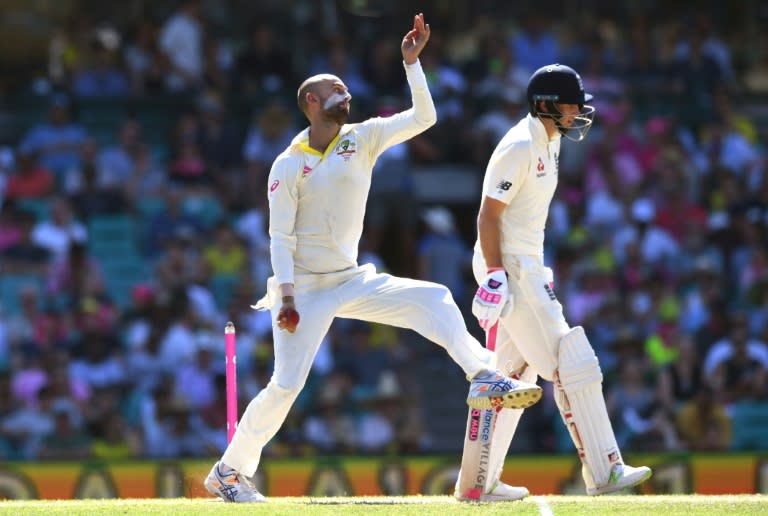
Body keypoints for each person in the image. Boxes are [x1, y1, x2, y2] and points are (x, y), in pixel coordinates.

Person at [203, 14, 542, 503]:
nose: (346, 94)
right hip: (304, 289)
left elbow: (423, 118)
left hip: (351, 278)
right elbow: (279, 237)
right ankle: (229, 473)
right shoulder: (288, 163)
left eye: (346, 88)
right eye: (335, 89)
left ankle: (482, 375)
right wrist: (288, 297)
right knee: (286, 385)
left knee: (434, 297)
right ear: (311, 103)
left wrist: (412, 64)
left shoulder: (361, 138)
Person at [457, 63, 652, 501]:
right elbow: (489, 214)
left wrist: (532, 265)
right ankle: (605, 471)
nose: (577, 112)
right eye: (570, 104)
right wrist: (494, 275)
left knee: (508, 376)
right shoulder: (520, 144)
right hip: (510, 268)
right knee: (571, 359)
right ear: (545, 105)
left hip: (525, 265)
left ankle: (476, 484)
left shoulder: (551, 141)